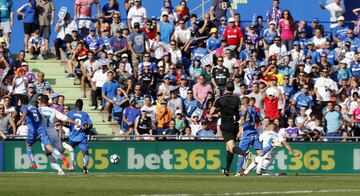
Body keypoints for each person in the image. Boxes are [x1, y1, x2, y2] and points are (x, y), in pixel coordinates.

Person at [17, 95, 70, 169]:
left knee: (28, 144)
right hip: (41, 129)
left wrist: (22, 119)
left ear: (21, 101)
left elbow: (25, 111)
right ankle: (63, 157)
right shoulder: (33, 107)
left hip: (33, 130)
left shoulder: (23, 107)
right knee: (49, 147)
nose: (18, 102)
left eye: (18, 100)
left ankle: (33, 163)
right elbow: (40, 117)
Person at [209, 81, 248, 176]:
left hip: (226, 125)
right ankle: (227, 169)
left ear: (225, 88)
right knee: (228, 148)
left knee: (231, 146)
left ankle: (246, 155)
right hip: (235, 125)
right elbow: (245, 109)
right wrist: (243, 117)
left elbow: (211, 111)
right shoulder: (237, 98)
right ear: (233, 89)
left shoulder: (220, 99)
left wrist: (217, 109)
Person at [38, 95, 81, 175]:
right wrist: (75, 123)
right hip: (54, 133)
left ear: (40, 101)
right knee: (59, 149)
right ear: (48, 102)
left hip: (45, 134)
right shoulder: (53, 110)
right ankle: (61, 169)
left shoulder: (38, 110)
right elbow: (65, 118)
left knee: (48, 153)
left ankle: (61, 166)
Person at [235, 96, 274, 176]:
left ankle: (238, 172)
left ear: (243, 103)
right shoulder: (254, 109)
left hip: (247, 133)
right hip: (254, 132)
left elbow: (246, 119)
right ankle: (271, 144)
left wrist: (240, 123)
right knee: (261, 153)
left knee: (240, 153)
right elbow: (260, 119)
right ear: (249, 101)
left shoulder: (243, 110)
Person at [66, 99, 93, 174]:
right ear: (82, 106)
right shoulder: (84, 114)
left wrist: (70, 126)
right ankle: (85, 166)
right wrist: (86, 127)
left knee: (71, 150)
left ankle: (71, 165)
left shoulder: (69, 113)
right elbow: (90, 125)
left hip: (72, 136)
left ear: (75, 106)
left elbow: (65, 123)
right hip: (81, 136)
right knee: (85, 153)